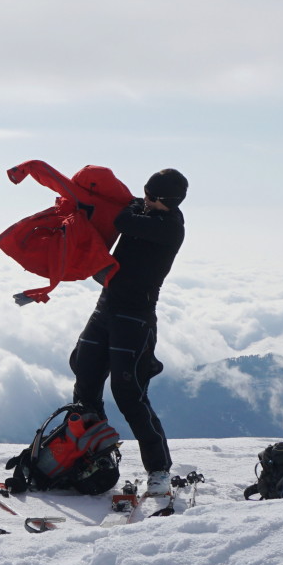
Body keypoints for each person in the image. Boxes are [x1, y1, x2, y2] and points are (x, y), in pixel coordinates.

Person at [69, 168, 186, 496]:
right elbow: (127, 211)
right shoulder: (146, 211)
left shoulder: (170, 227)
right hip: (106, 308)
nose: (144, 199)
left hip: (135, 318)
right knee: (85, 377)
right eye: (144, 193)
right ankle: (92, 457)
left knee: (128, 394)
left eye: (150, 196)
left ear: (166, 201)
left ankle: (159, 470)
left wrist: (133, 205)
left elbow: (122, 220)